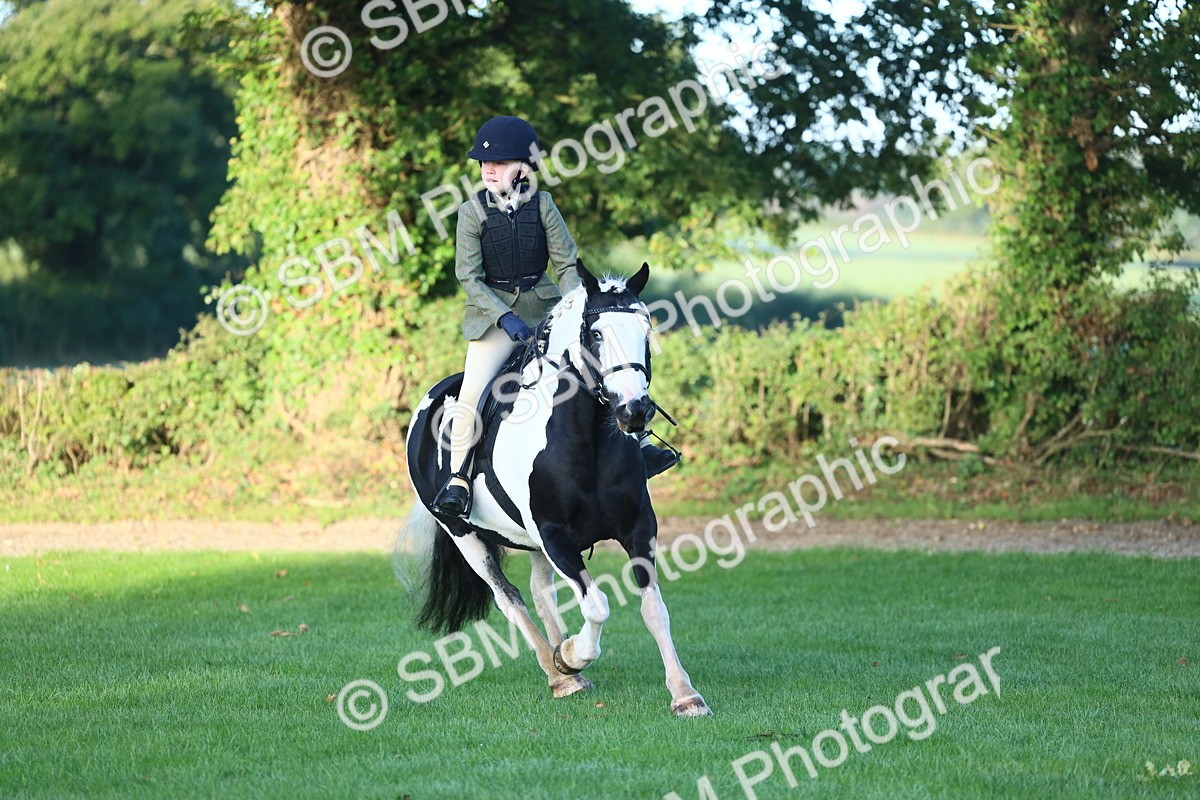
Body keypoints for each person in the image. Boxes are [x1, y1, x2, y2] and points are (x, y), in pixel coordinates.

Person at [433, 115, 680, 517]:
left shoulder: (543, 205)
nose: (488, 169)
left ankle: (638, 447)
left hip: (547, 308)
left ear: (524, 167)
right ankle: (459, 479)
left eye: (499, 162)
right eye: (483, 163)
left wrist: (574, 308)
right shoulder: (470, 212)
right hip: (492, 320)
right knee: (473, 393)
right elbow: (469, 277)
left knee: (605, 367)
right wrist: (503, 317)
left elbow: (566, 265)